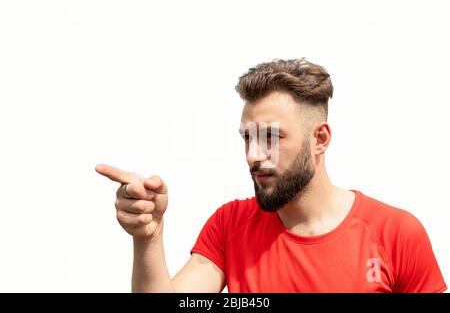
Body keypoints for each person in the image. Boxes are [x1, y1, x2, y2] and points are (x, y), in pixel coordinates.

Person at [96, 58, 447, 293]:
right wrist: (148, 238)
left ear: (320, 139)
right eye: (248, 137)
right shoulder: (229, 226)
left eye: (271, 138)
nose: (253, 155)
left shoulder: (396, 234)